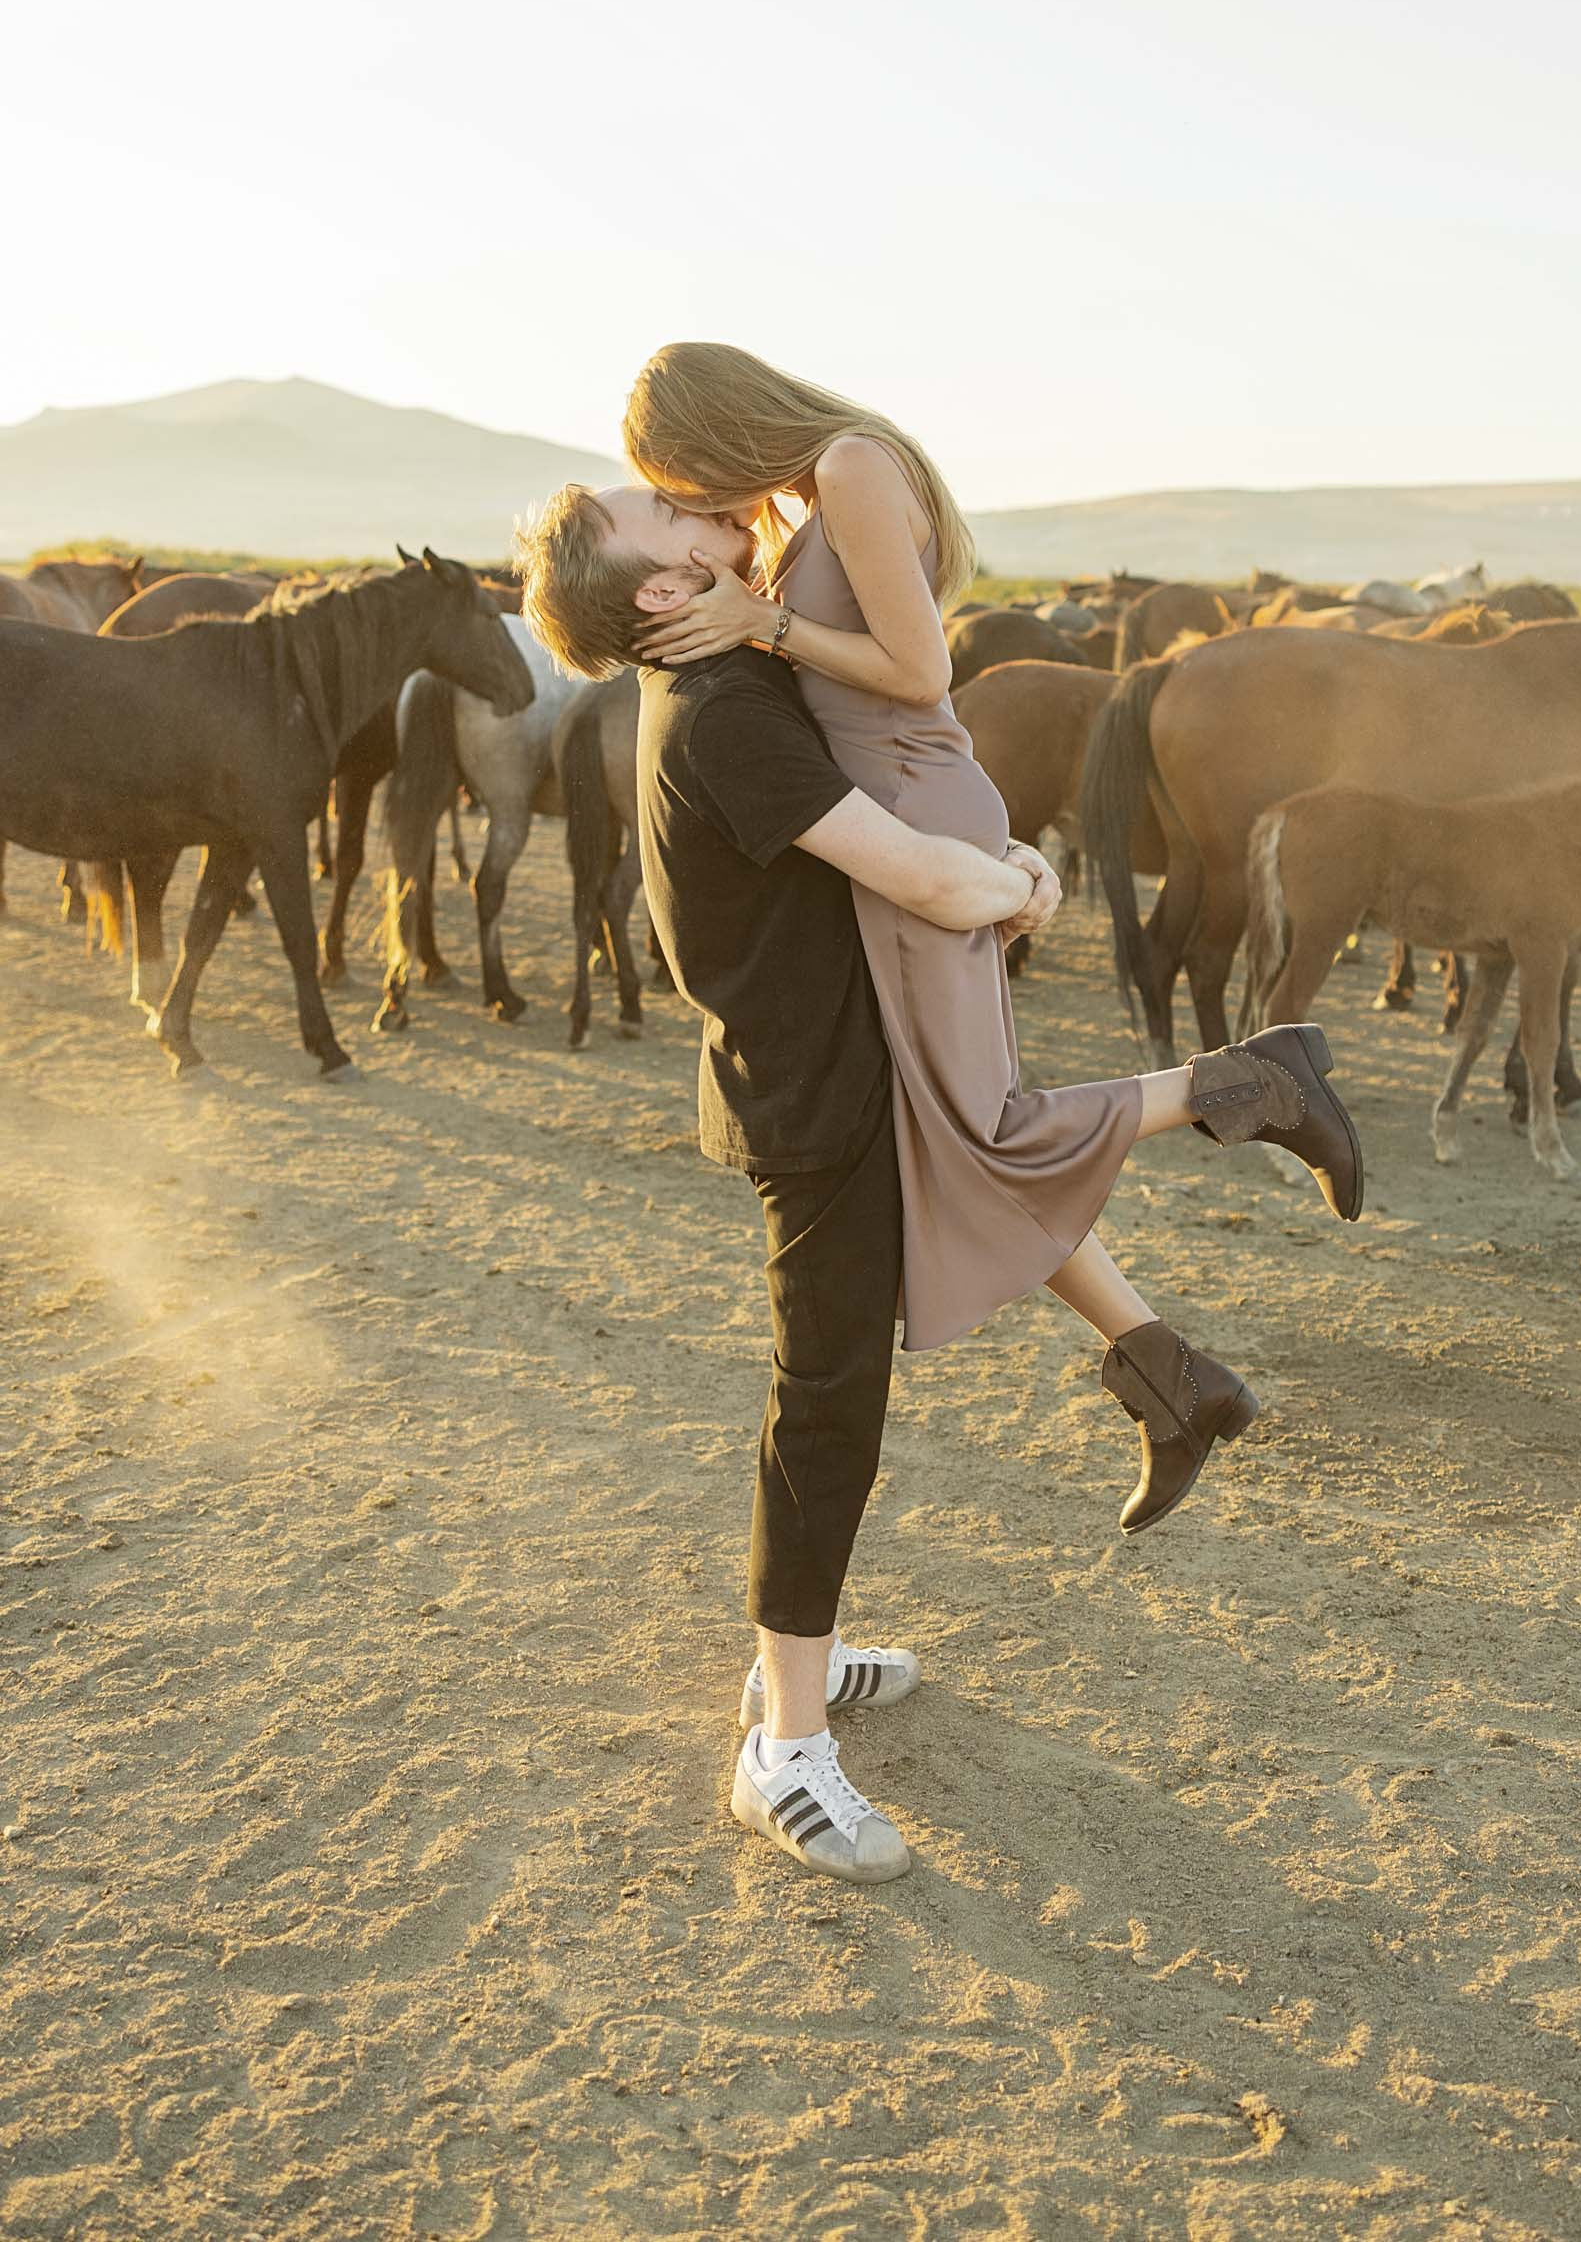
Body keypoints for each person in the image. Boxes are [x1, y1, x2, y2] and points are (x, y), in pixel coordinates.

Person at [516, 472, 1358, 1884]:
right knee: (827, 1410)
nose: (683, 494)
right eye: (657, 509)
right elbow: (916, 874)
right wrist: (1021, 878)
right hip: (818, 1102)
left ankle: (1179, 1328)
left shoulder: (732, 666)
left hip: (823, 1072)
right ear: (660, 593)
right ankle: (779, 1751)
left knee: (988, 1187)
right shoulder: (724, 718)